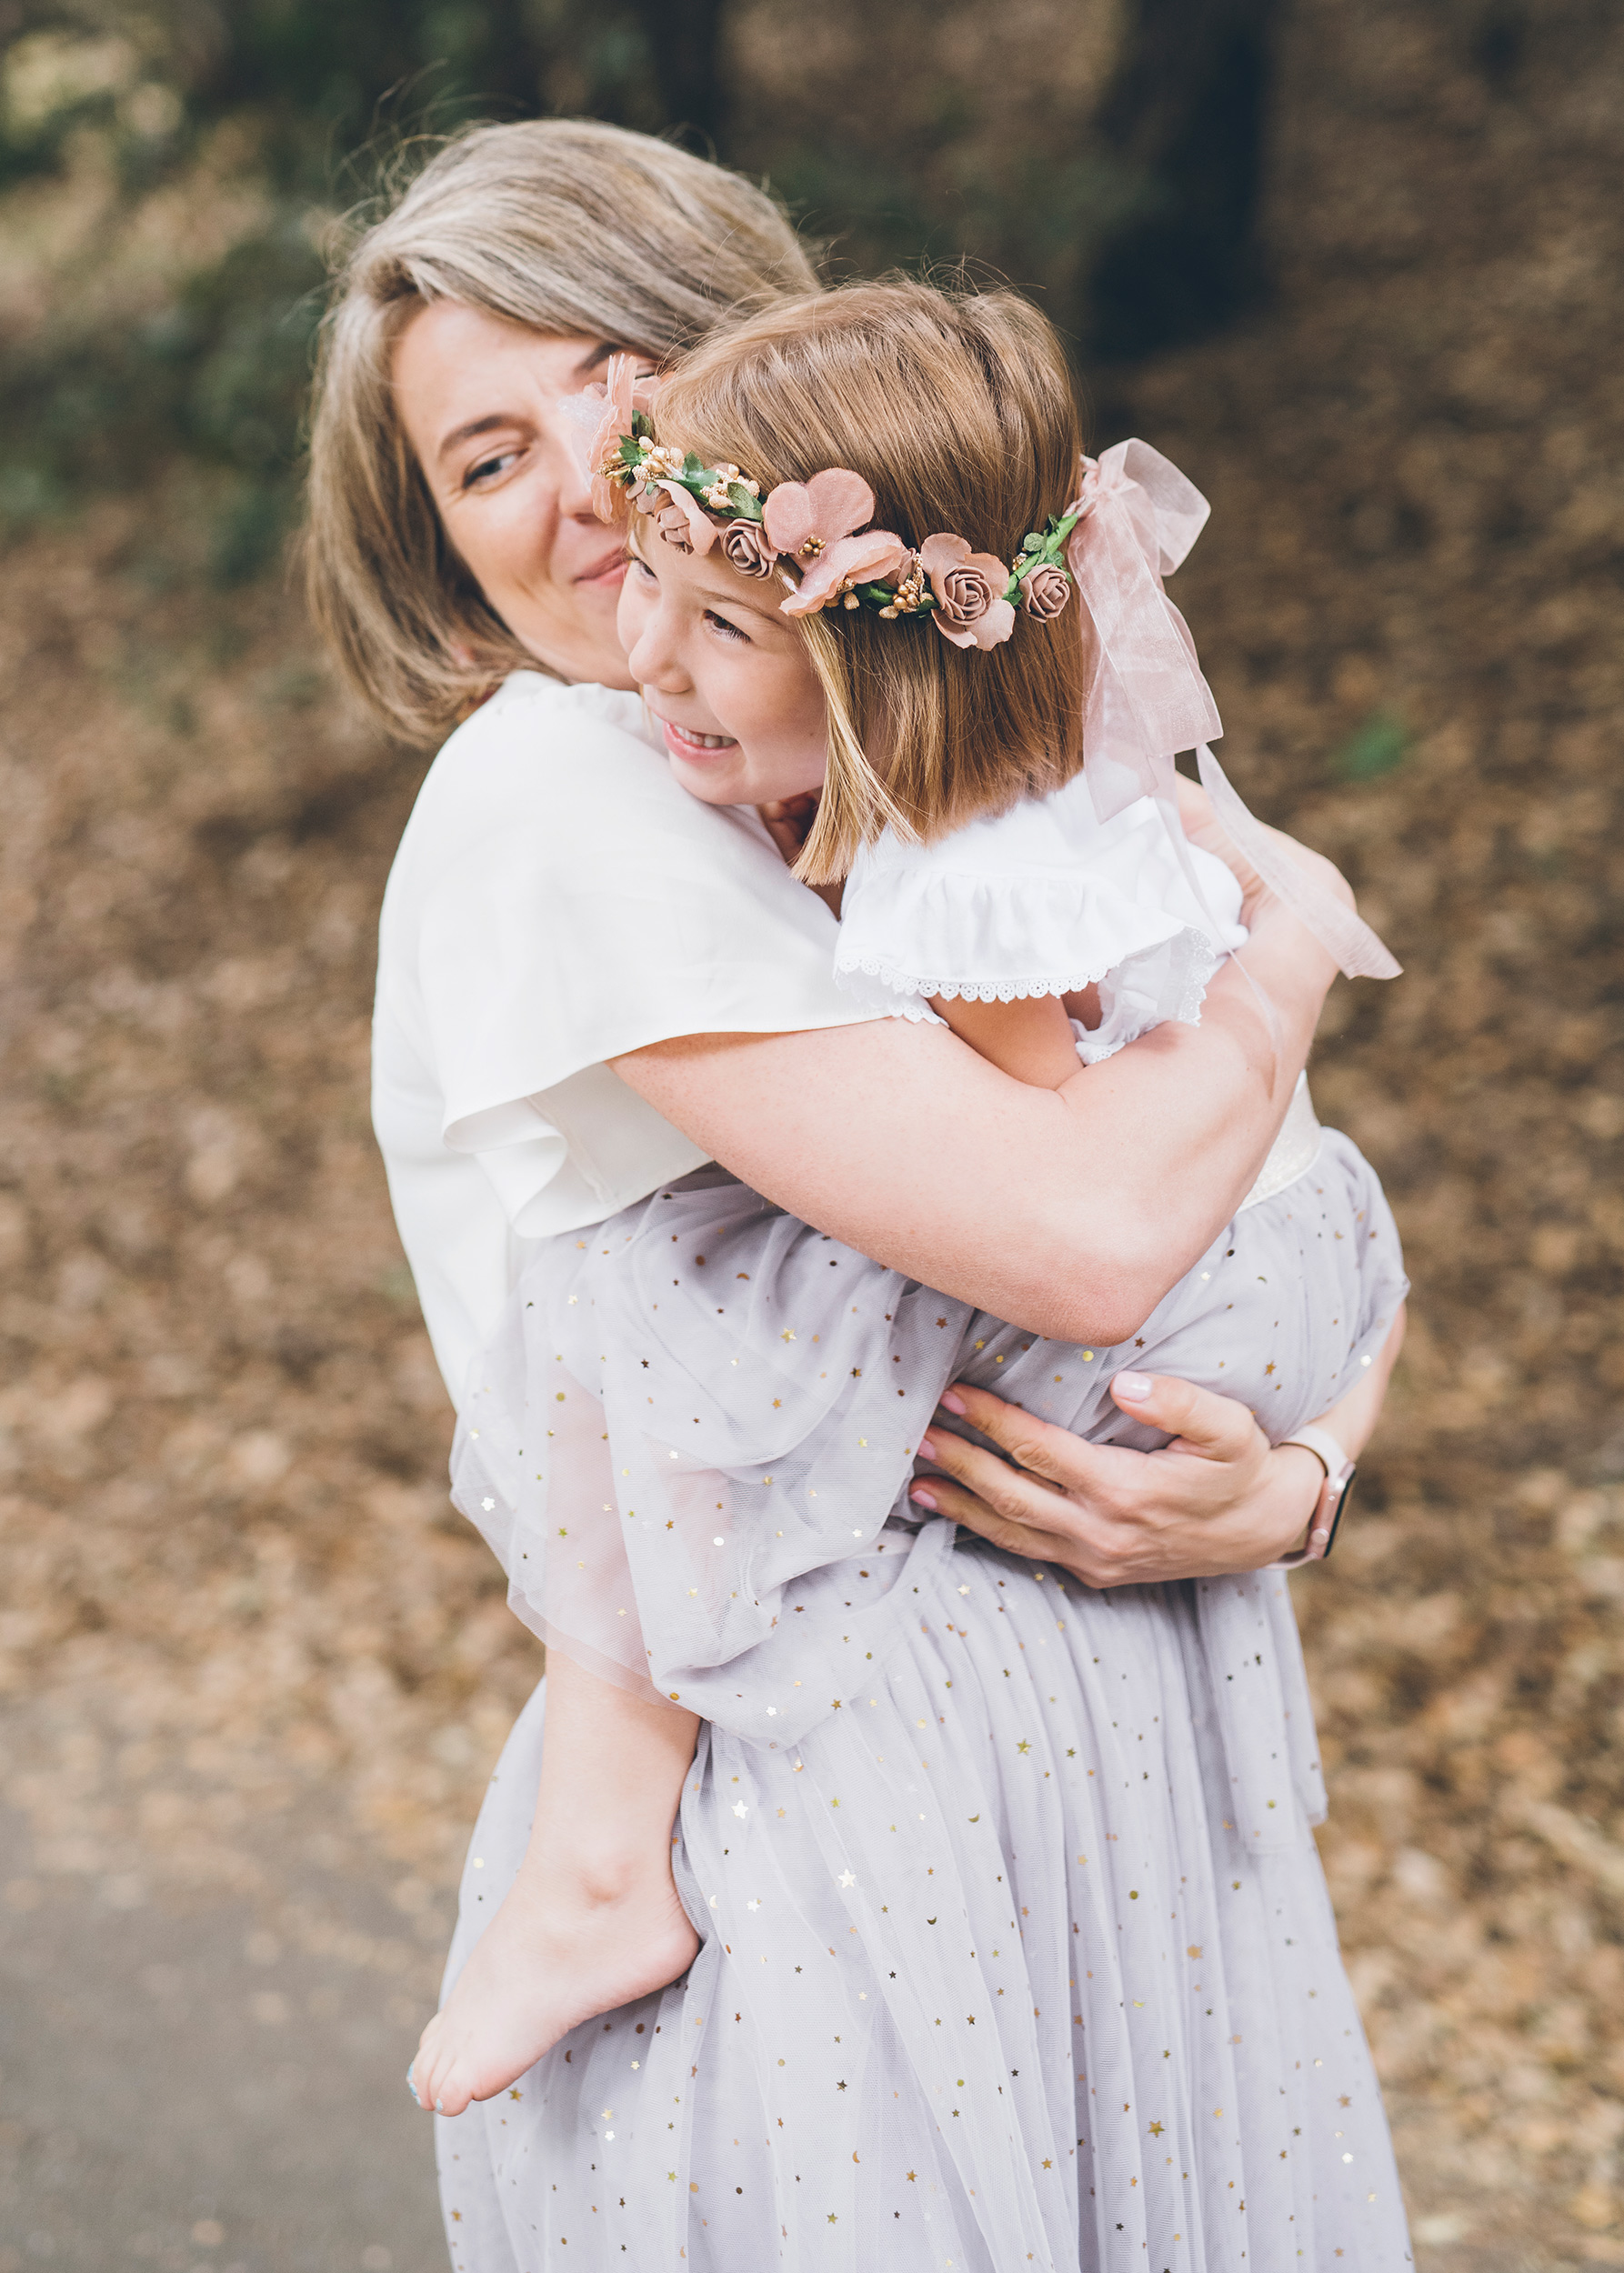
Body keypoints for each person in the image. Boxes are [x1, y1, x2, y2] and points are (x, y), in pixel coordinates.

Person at [306, 119, 1408, 2269]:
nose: (588, 479)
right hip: (813, 1791)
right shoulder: (554, 792)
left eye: (618, 364)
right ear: (443, 557)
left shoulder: (987, 736)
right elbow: (1096, 1231)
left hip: (1149, 1738)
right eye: (485, 457)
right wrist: (1285, 963)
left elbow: (1297, 1226)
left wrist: (1286, 1483)